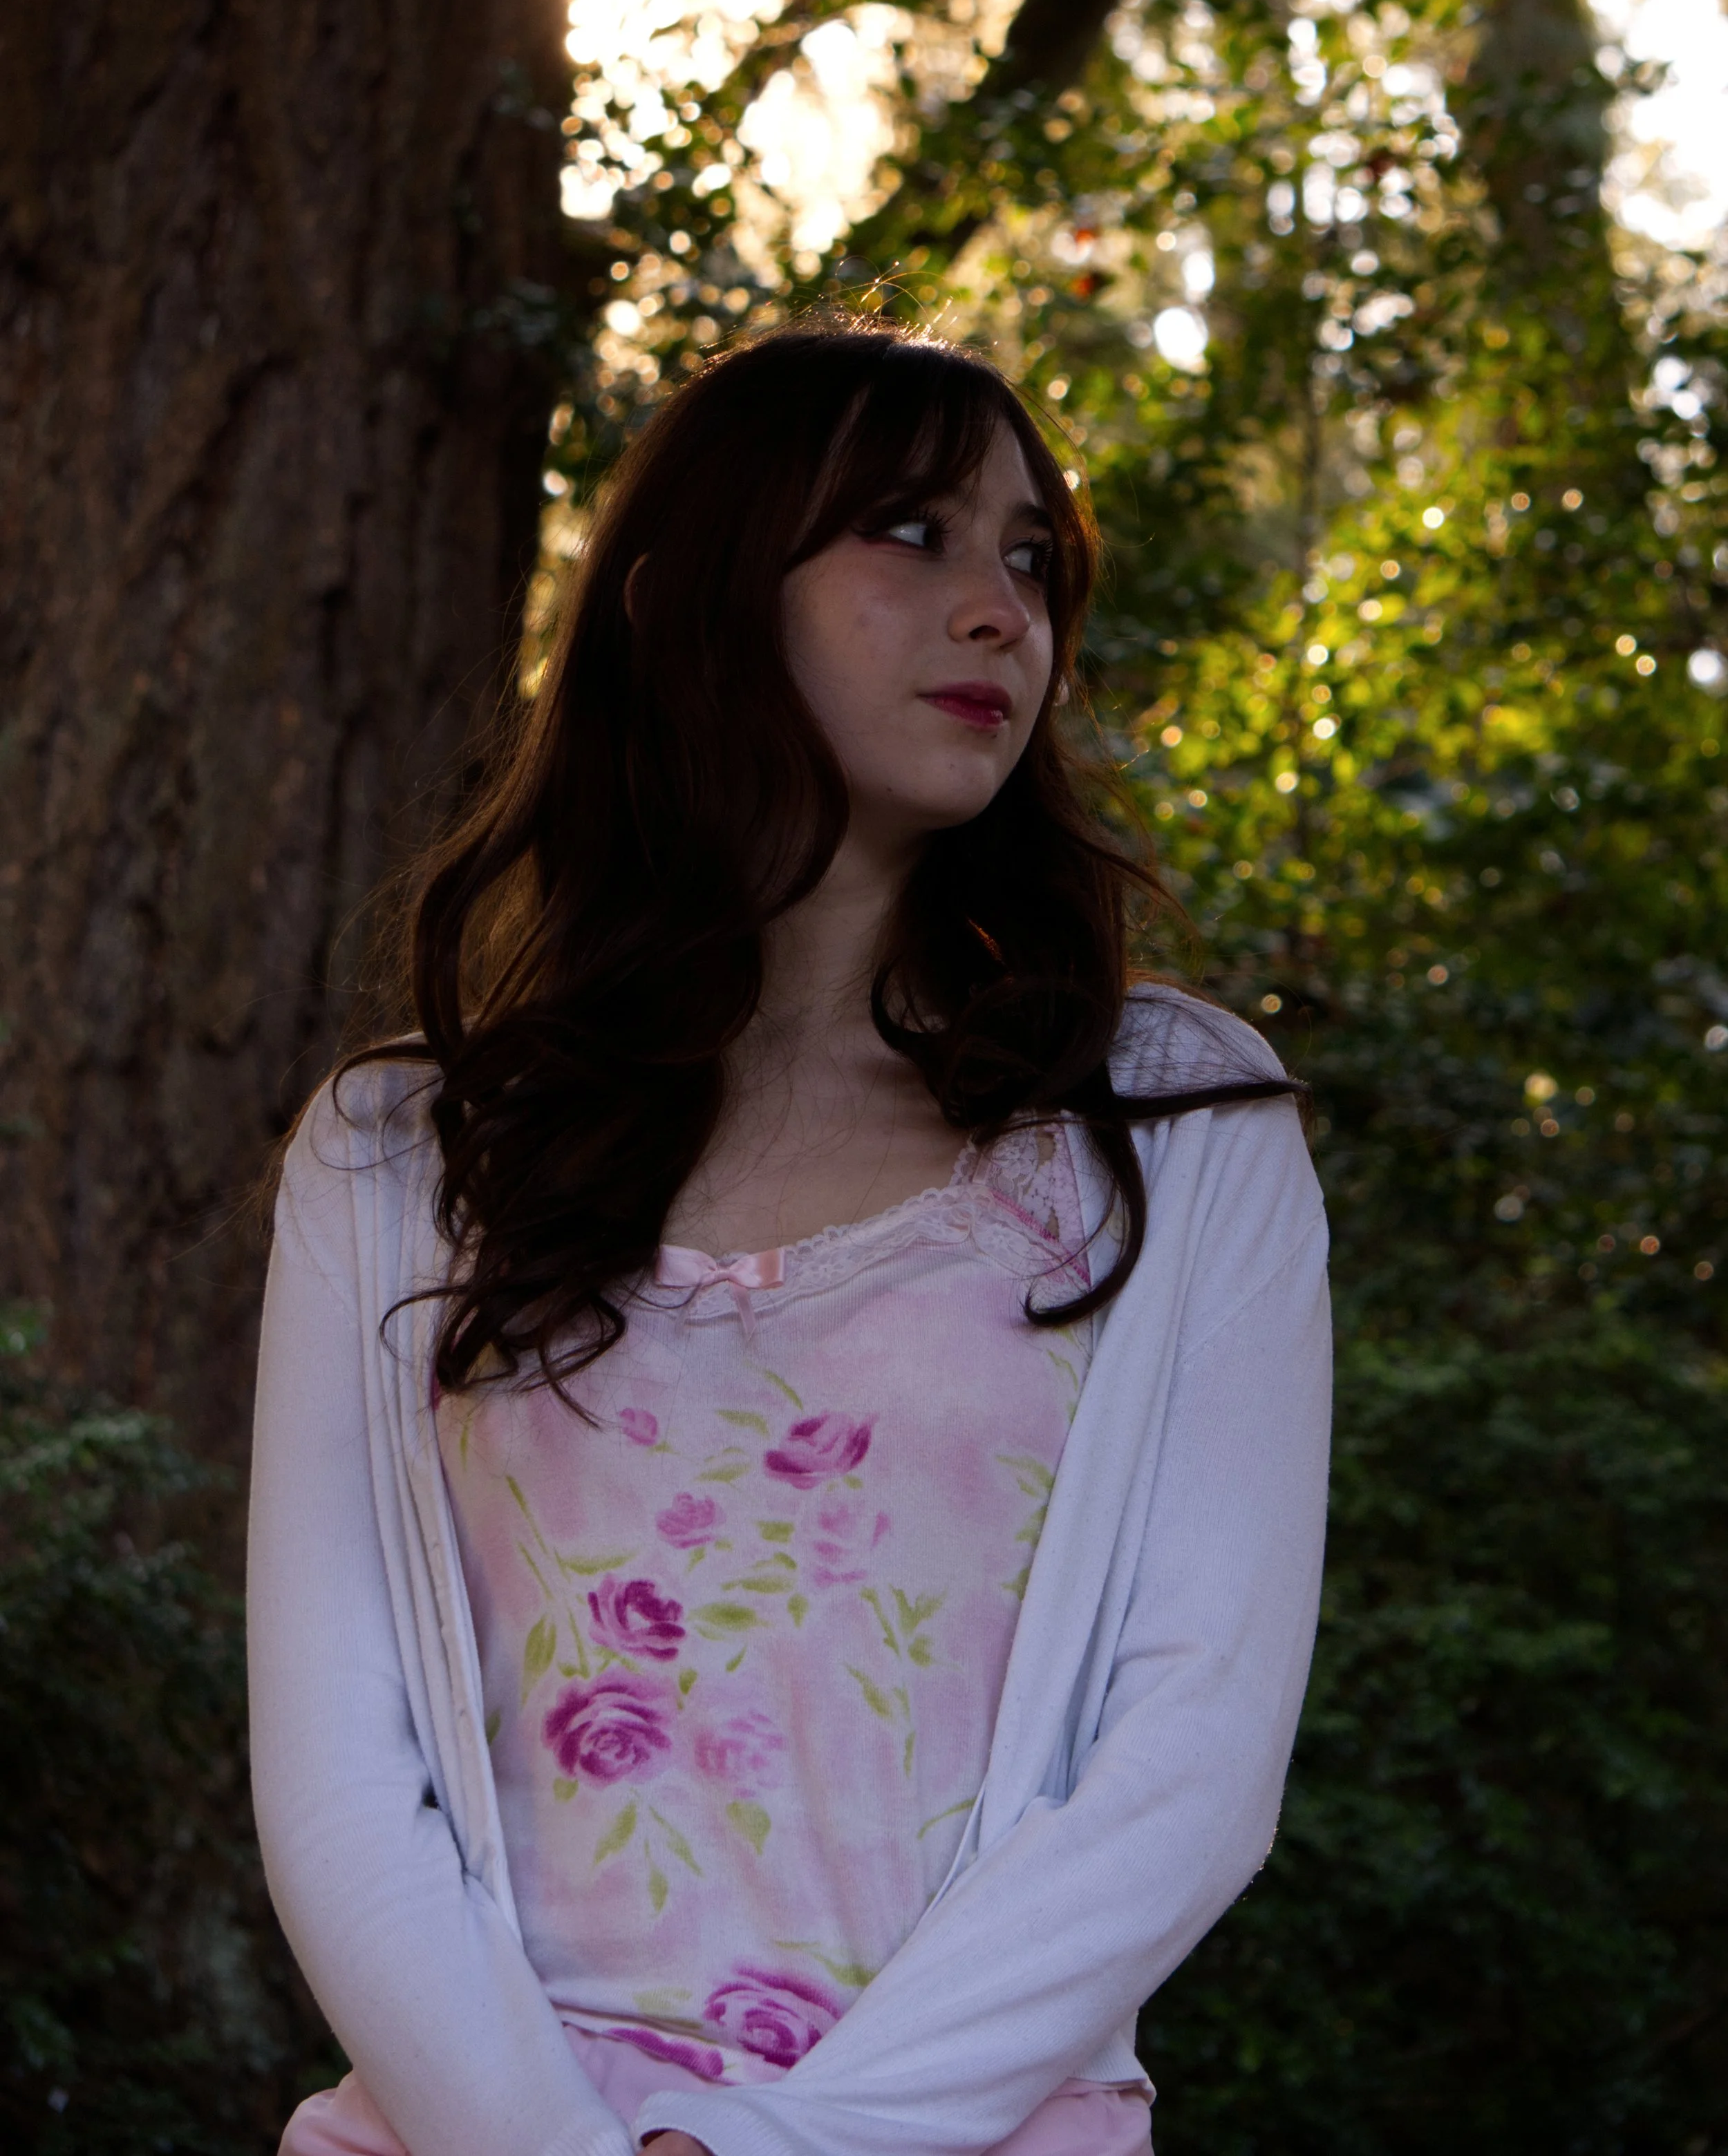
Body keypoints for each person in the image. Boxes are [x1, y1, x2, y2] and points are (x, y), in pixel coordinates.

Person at [249, 321, 1331, 2156]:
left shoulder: (1173, 1124)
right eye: (907, 532)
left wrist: (779, 2150)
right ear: (683, 608)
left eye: (1025, 558)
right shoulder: (400, 1148)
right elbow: (343, 1779)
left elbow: (1191, 1763)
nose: (1001, 609)